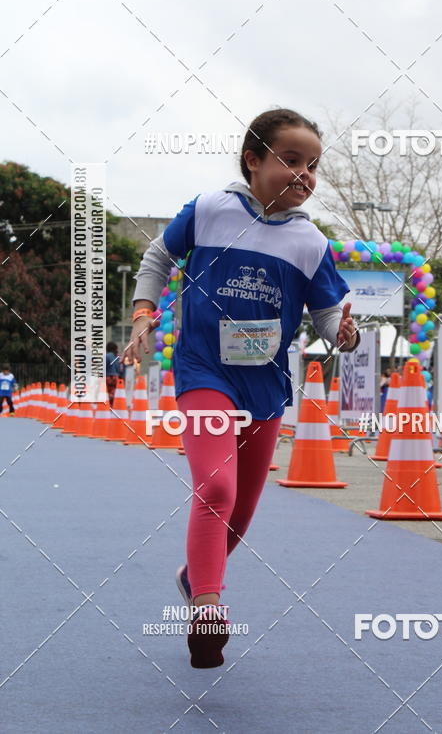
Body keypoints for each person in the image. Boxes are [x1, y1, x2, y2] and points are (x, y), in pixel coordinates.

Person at [123, 108, 361, 669]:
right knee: (216, 489)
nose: (304, 174)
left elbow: (328, 316)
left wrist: (344, 334)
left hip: (266, 386)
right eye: (291, 159)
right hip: (205, 372)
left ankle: (194, 576)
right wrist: (142, 312)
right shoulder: (210, 210)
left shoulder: (311, 242)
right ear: (253, 160)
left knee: (239, 514)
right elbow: (158, 256)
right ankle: (208, 609)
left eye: (313, 165)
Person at [105, 342, 123, 407]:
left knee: (107, 392)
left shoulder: (107, 356)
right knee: (114, 392)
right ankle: (113, 405)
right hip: (116, 377)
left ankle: (108, 405)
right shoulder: (117, 357)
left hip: (108, 377)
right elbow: (120, 369)